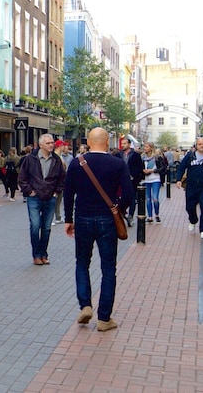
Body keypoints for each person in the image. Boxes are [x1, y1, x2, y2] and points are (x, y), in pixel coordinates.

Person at [63, 127, 134, 332]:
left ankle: (85, 305)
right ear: (106, 141)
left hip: (83, 218)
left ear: (90, 141)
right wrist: (117, 208)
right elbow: (128, 194)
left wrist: (69, 219)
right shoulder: (118, 164)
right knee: (108, 268)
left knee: (82, 263)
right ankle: (104, 318)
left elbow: (68, 193)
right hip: (107, 220)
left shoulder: (77, 163)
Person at [18, 134, 66, 265]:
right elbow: (22, 177)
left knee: (46, 228)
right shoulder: (30, 159)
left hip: (50, 197)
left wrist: (56, 192)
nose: (52, 145)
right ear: (41, 145)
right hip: (34, 198)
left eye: (52, 143)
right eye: (49, 143)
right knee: (35, 225)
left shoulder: (56, 160)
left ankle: (44, 254)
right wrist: (29, 191)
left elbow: (62, 178)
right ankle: (36, 255)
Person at [113, 137, 144, 226]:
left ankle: (130, 215)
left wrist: (134, 177)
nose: (122, 145)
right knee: (120, 198)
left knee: (132, 198)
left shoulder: (136, 155)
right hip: (119, 181)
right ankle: (123, 213)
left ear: (129, 144)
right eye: (122, 144)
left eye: (124, 143)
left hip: (132, 181)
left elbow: (139, 168)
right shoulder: (118, 155)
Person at [140, 142, 162, 225]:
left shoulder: (157, 158)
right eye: (144, 146)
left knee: (155, 198)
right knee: (148, 199)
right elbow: (140, 167)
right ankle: (150, 216)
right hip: (146, 180)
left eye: (146, 146)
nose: (145, 148)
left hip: (155, 179)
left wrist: (152, 170)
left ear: (151, 148)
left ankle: (157, 214)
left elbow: (162, 168)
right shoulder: (142, 158)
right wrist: (143, 171)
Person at [52, 141, 74, 224]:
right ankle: (51, 218)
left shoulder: (59, 156)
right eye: (63, 146)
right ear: (60, 146)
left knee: (58, 200)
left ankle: (58, 217)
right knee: (54, 200)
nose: (65, 148)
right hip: (56, 182)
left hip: (60, 182)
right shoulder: (56, 157)